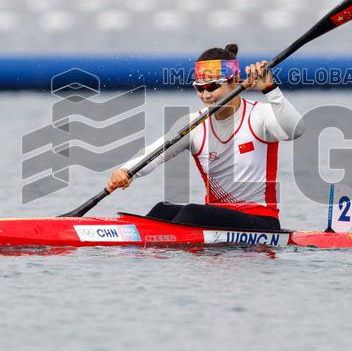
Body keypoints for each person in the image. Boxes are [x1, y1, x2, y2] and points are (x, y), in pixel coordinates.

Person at [105, 43, 304, 231]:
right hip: (215, 219)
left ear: (234, 82)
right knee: (162, 210)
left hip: (261, 221)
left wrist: (271, 90)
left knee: (192, 212)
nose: (206, 95)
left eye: (212, 87)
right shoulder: (194, 124)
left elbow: (295, 130)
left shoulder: (260, 115)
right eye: (199, 89)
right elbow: (156, 151)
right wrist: (127, 171)